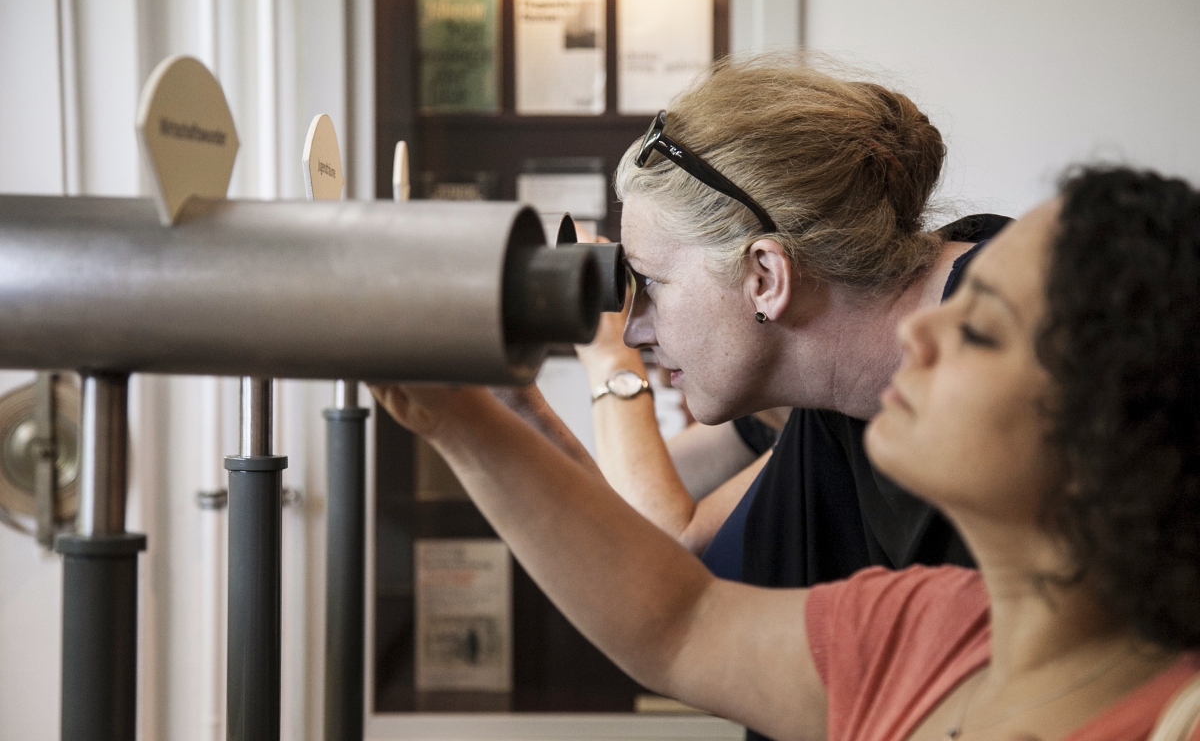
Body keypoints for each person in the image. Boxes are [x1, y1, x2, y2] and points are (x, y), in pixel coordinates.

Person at [374, 166, 1200, 740]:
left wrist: (595, 369)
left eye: (978, 327)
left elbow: (669, 569)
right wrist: (459, 415)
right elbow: (674, 622)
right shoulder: (921, 626)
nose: (920, 332)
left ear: (1108, 422)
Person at [508, 55, 1003, 591]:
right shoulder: (831, 396)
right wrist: (510, 401)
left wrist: (609, 360)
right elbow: (654, 565)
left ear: (765, 277)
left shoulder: (1017, 362)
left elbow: (675, 570)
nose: (634, 332)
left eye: (650, 282)